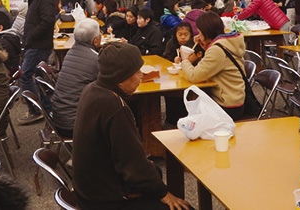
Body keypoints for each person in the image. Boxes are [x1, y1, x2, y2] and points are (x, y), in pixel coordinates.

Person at [73, 42, 191, 210]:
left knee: (153, 171)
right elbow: (133, 165)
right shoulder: (114, 106)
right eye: (137, 72)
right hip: (104, 199)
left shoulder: (92, 89)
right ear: (122, 77)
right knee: (183, 207)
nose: (141, 76)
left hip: (87, 188)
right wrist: (163, 193)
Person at [180, 11, 246, 120]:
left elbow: (194, 76)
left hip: (226, 106)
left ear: (207, 32)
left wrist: (185, 60)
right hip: (235, 100)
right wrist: (203, 43)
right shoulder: (227, 42)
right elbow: (215, 61)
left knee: (189, 108)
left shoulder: (217, 50)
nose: (198, 35)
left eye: (200, 32)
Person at [19, 0, 57, 124]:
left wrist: (31, 35)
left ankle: (37, 109)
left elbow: (48, 20)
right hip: (36, 43)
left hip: (38, 44)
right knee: (40, 77)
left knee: (26, 76)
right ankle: (47, 109)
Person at [52, 19, 101, 138]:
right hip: (76, 124)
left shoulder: (70, 53)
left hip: (59, 118)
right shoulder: (95, 60)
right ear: (95, 40)